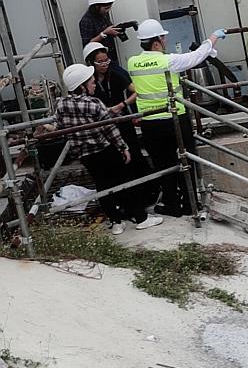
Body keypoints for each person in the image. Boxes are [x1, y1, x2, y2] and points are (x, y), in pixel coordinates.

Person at [127, 19, 224, 218]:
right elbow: (197, 56)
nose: (165, 41)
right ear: (156, 42)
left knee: (164, 165)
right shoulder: (168, 61)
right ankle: (190, 204)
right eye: (163, 38)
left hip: (150, 124)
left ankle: (172, 204)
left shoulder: (132, 62)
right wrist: (213, 38)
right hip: (175, 120)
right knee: (184, 162)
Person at [54, 63, 159, 235]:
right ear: (82, 86)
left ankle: (116, 222)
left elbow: (59, 126)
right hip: (105, 150)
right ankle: (141, 218)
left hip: (84, 155)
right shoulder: (94, 104)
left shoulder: (61, 104)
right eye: (91, 82)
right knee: (126, 182)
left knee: (102, 186)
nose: (94, 84)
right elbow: (110, 129)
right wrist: (123, 147)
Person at [82, 40, 142, 162]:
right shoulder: (87, 81)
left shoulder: (115, 73)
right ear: (90, 62)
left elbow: (137, 91)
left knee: (134, 153)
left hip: (122, 119)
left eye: (106, 61)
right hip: (102, 126)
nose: (104, 64)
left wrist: (122, 105)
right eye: (100, 62)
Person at [79, 0, 128, 69]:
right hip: (99, 61)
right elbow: (87, 44)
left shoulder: (103, 14)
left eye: (109, 7)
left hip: (110, 55)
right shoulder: (86, 21)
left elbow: (109, 28)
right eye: (106, 8)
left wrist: (117, 30)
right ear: (96, 6)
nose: (108, 10)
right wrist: (104, 34)